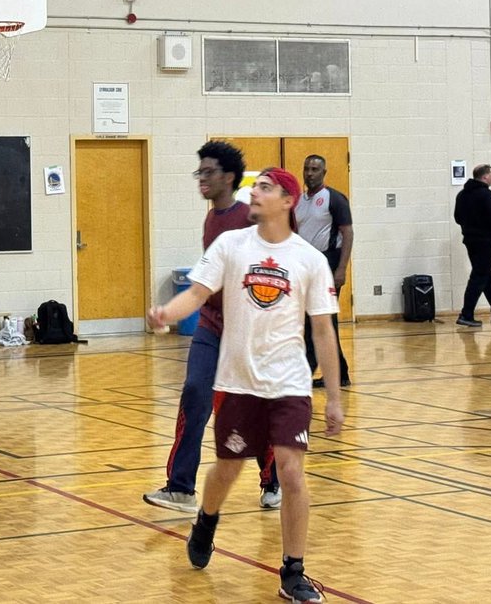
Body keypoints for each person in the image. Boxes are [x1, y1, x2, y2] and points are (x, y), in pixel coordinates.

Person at [147, 167, 344, 604]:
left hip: (289, 383)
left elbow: (324, 331)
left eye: (265, 188)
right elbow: (196, 294)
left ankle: (293, 571)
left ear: (287, 201)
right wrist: (167, 313)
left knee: (291, 472)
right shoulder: (231, 245)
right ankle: (206, 520)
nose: (254, 192)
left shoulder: (309, 260)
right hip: (238, 382)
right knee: (228, 468)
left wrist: (333, 396)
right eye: (254, 186)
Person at [144, 141, 281, 515]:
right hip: (211, 326)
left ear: (229, 177)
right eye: (199, 172)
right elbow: (205, 283)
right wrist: (168, 313)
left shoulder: (249, 218)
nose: (201, 179)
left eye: (208, 172)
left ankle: (272, 480)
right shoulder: (210, 220)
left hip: (247, 331)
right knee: (194, 393)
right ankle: (181, 488)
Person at [295, 155, 352, 388]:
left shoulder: (334, 199)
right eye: (307, 168)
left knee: (322, 320)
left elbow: (348, 233)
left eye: (315, 169)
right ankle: (338, 374)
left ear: (324, 172)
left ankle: (317, 372)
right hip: (305, 266)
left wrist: (341, 269)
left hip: (328, 264)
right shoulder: (299, 201)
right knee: (314, 321)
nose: (310, 173)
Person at [454, 164, 491, 328]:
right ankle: (466, 314)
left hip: (470, 240)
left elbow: (457, 218)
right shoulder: (487, 195)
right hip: (486, 241)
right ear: (485, 177)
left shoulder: (462, 195)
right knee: (479, 276)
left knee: (486, 275)